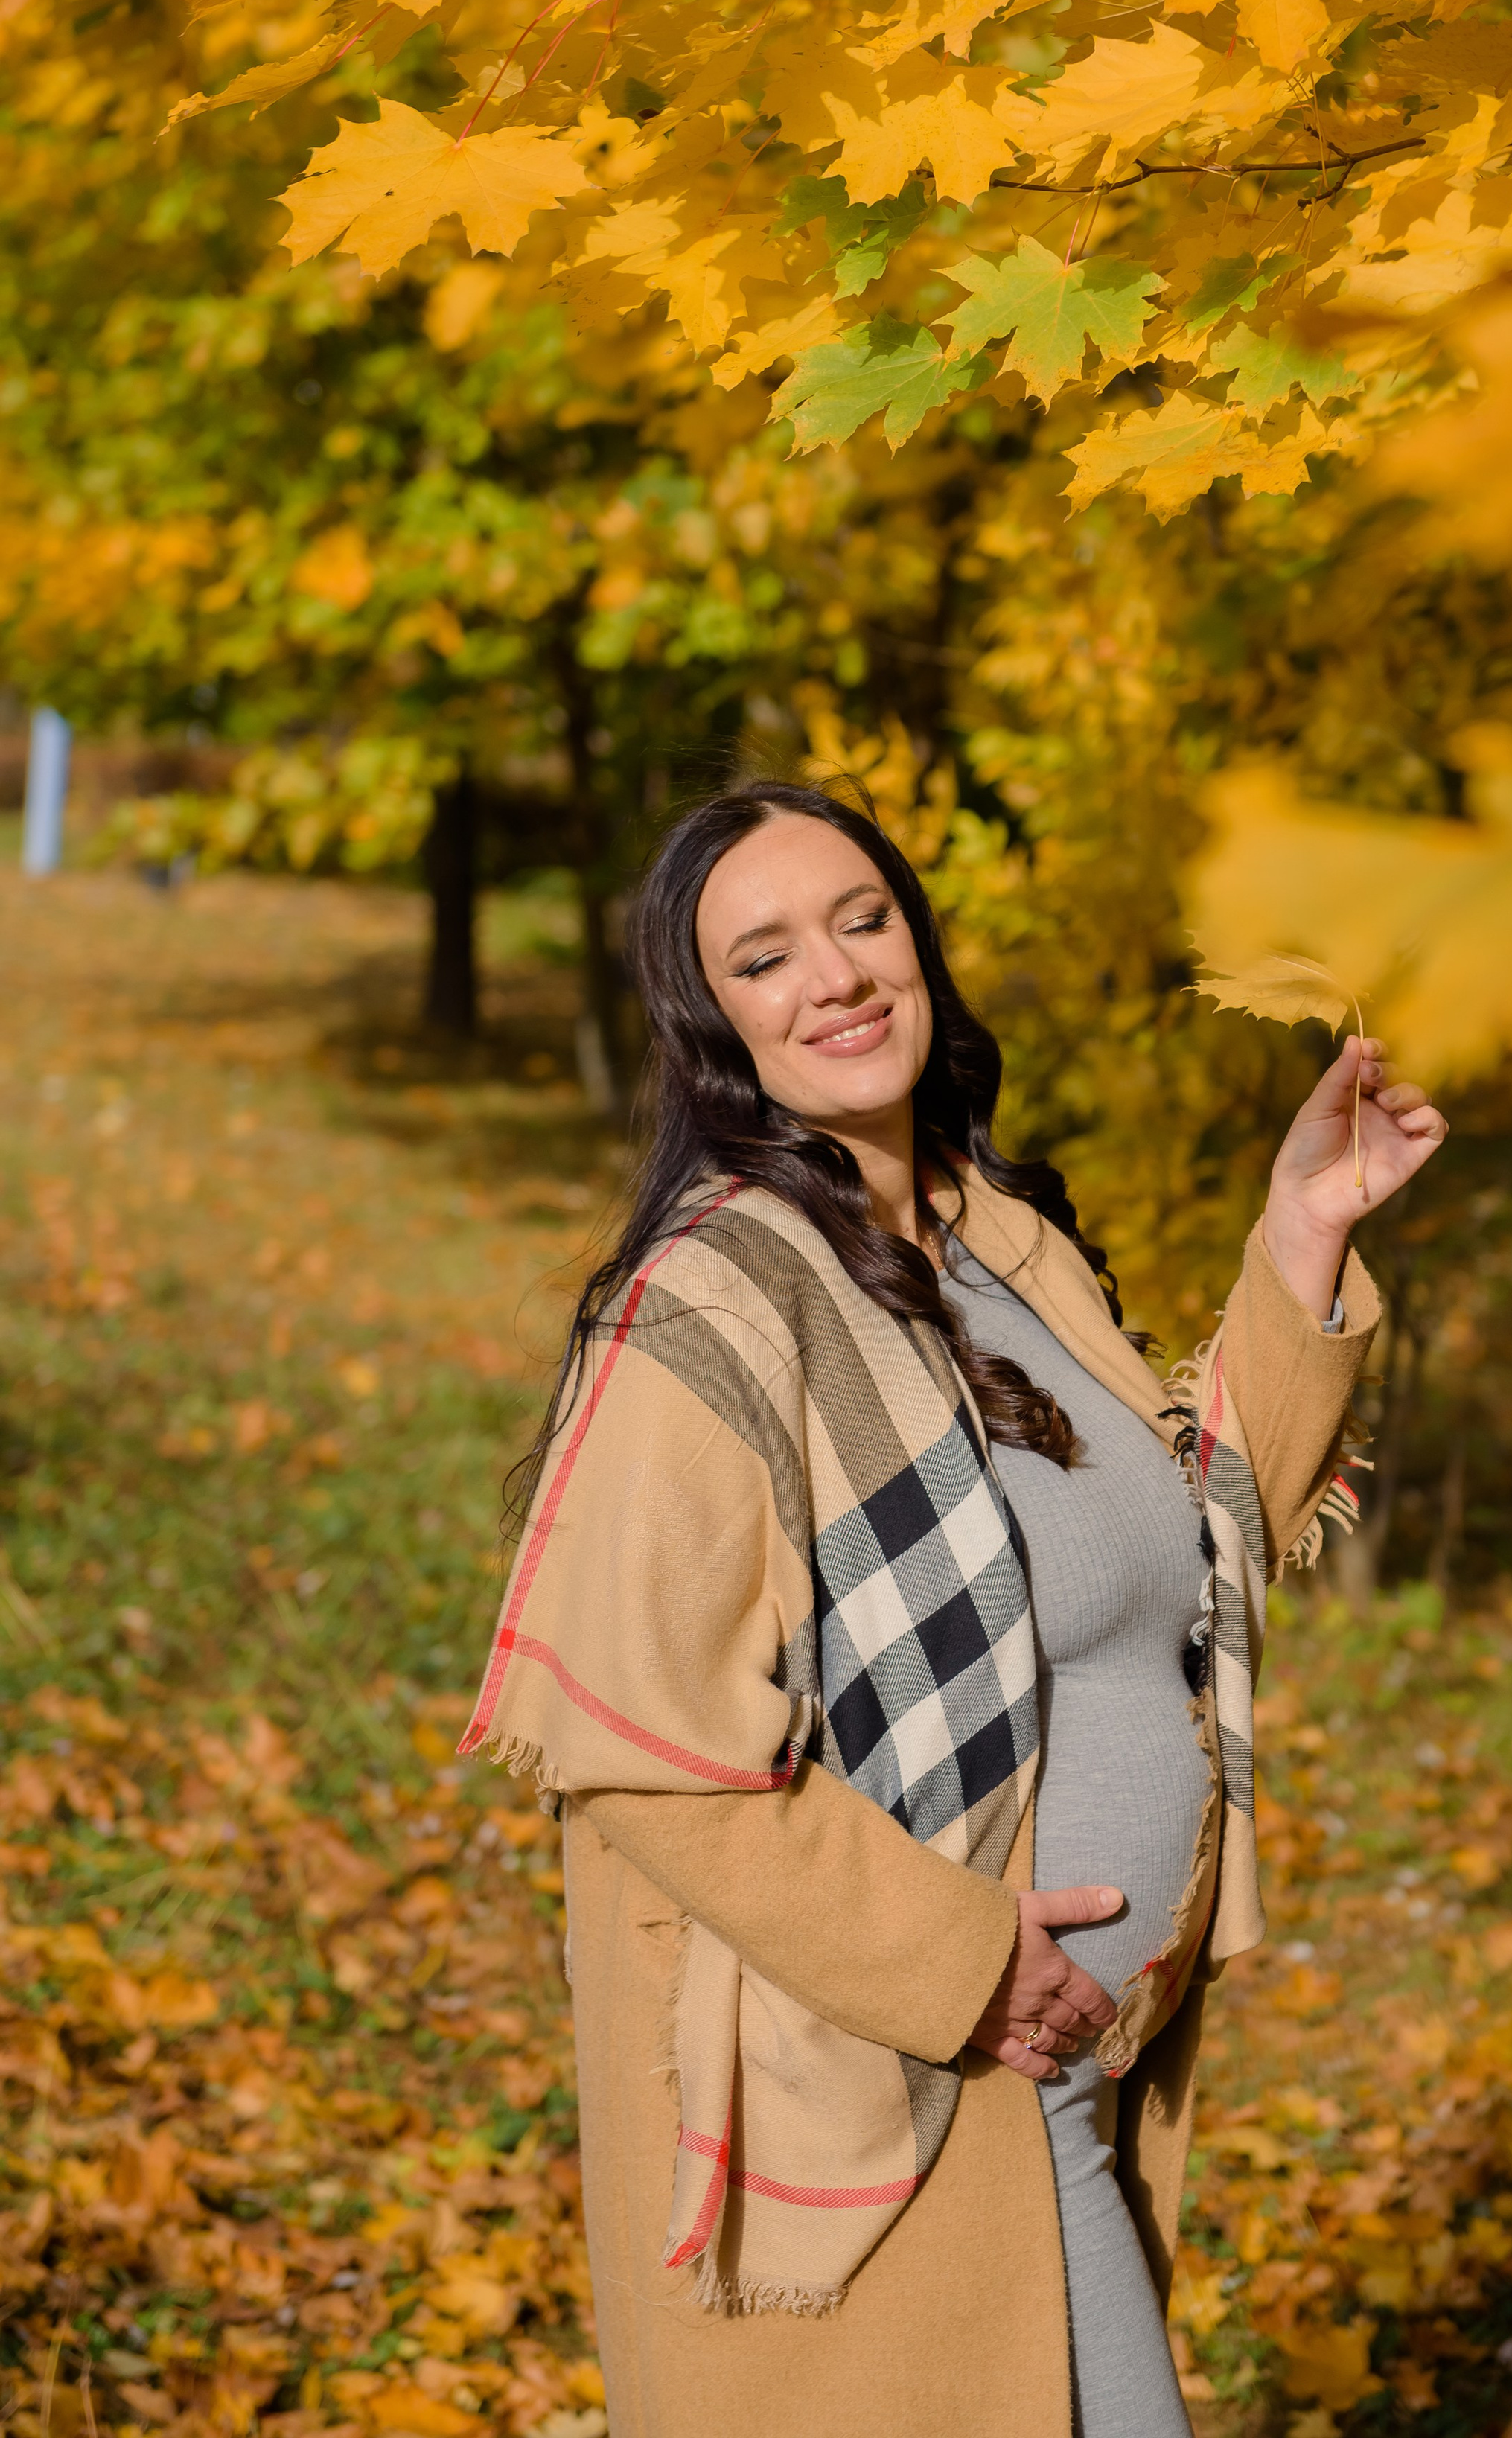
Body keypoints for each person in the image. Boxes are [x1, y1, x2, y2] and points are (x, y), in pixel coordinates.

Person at [461, 779, 1448, 2438]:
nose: (837, 976)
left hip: (1052, 2086)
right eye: (763, 957)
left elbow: (1176, 1561)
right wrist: (962, 1961)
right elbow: (634, 1749)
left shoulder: (995, 1241)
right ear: (710, 1027)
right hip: (888, 2094)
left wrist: (1302, 1233)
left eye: (862, 921)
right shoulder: (711, 1304)